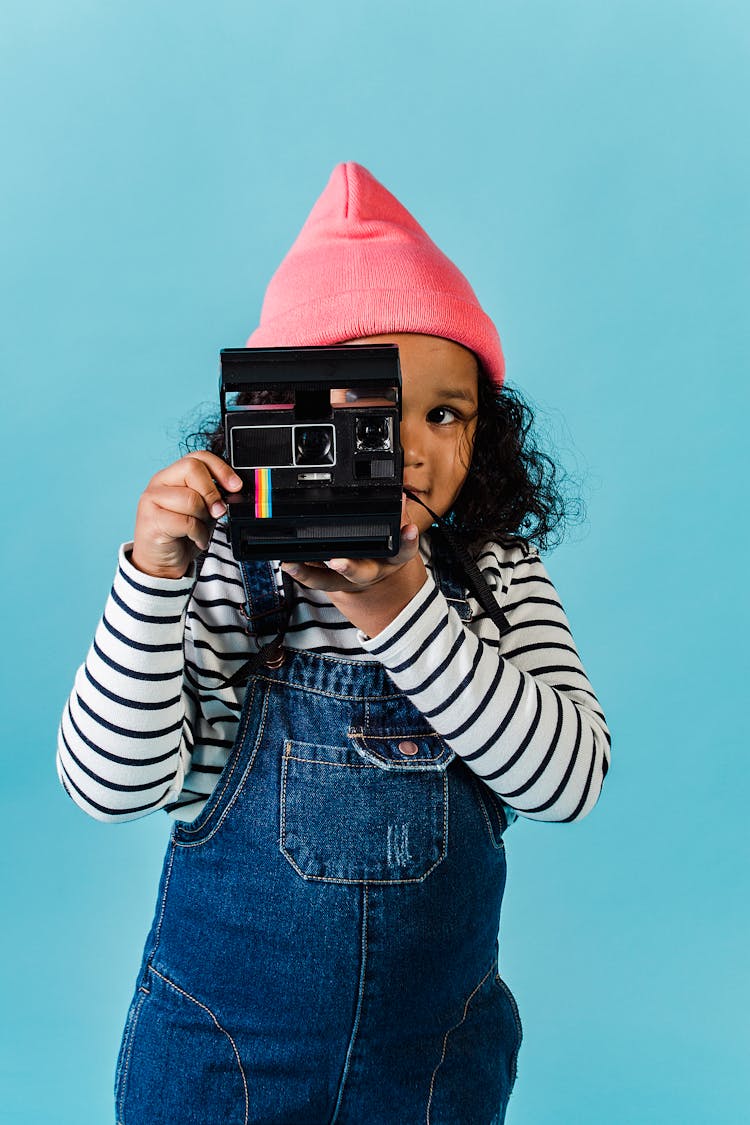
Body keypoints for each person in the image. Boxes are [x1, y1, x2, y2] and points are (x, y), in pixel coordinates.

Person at [57, 162, 611, 1125]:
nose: (414, 447)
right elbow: (112, 785)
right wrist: (151, 578)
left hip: (431, 1064)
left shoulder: (497, 572)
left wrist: (402, 606)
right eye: (374, 411)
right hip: (221, 1053)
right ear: (283, 416)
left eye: (447, 413)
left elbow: (569, 782)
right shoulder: (226, 569)